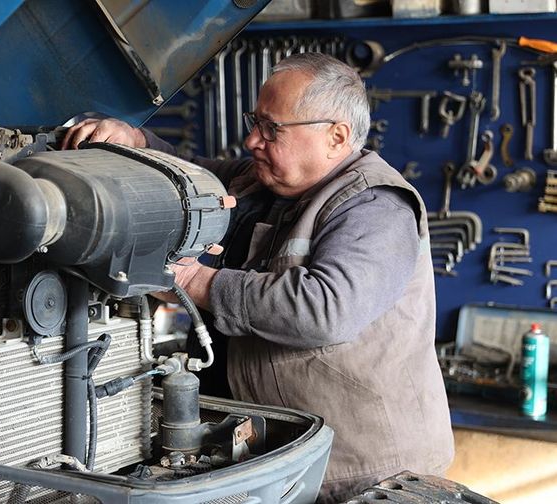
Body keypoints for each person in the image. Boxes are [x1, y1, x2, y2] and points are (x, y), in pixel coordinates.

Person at [62, 52, 454, 502]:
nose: (252, 140)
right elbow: (189, 176)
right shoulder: (258, 182)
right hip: (282, 456)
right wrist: (135, 140)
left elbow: (325, 309)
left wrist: (196, 282)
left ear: (336, 137)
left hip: (362, 473)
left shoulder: (375, 206)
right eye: (255, 122)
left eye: (272, 129)